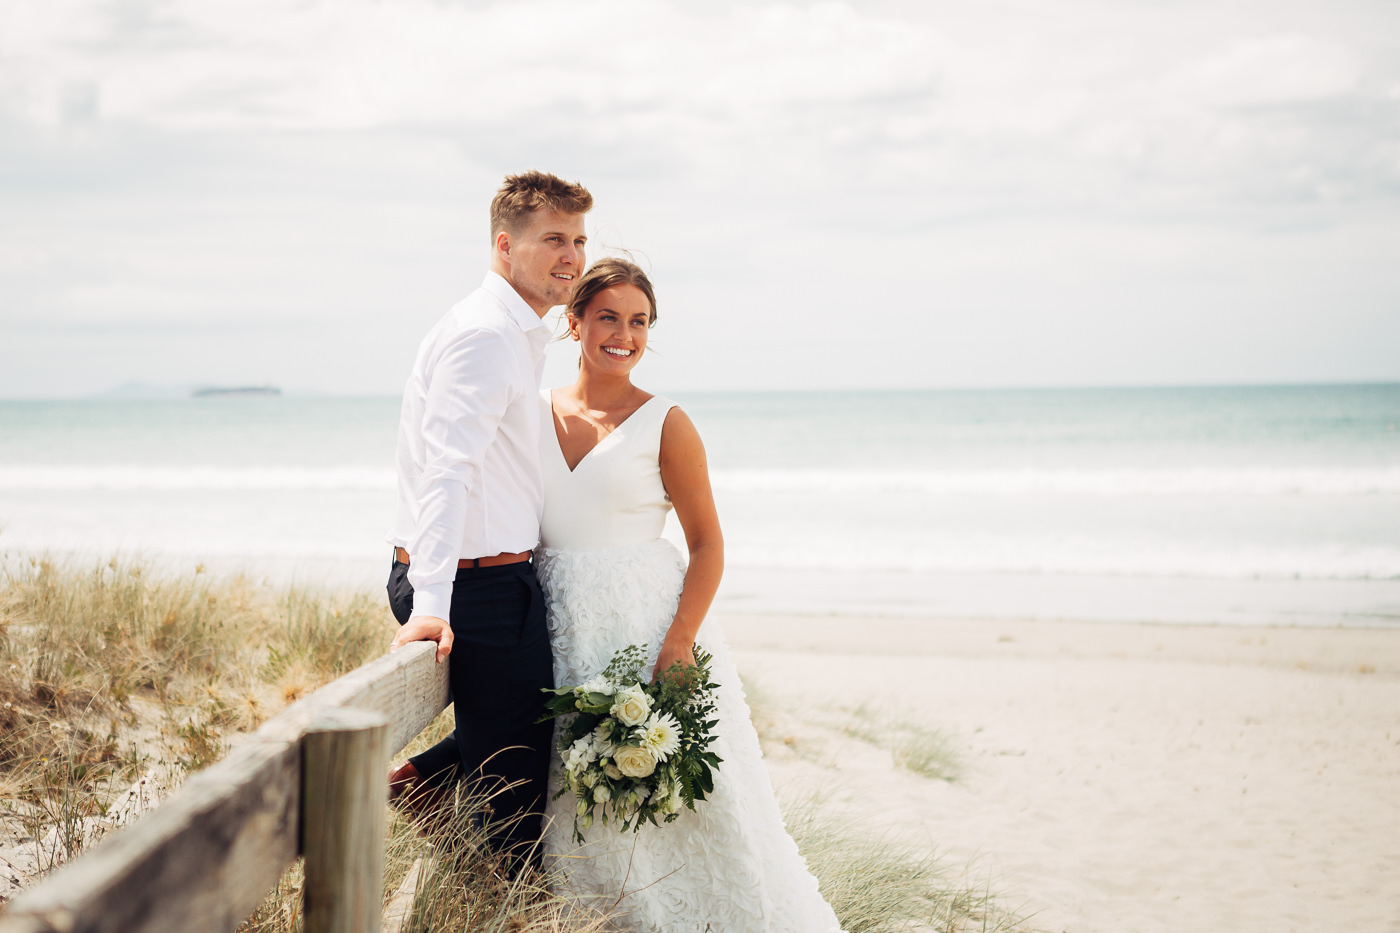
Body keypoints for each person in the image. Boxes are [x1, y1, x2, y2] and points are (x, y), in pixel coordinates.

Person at [535, 257, 845, 931]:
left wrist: (677, 643)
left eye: (639, 321)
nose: (624, 333)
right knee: (575, 799)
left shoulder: (666, 421)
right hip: (561, 629)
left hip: (645, 630)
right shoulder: (532, 413)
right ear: (574, 321)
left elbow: (708, 543)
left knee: (682, 803)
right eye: (609, 316)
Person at [385, 170, 592, 861]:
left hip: (500, 579)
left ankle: (421, 779)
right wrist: (431, 605)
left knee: (531, 731)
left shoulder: (514, 333)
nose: (572, 255)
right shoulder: (484, 336)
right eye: (554, 239)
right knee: (514, 791)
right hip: (471, 588)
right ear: (505, 245)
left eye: (580, 239)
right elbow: (448, 472)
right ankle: (510, 904)